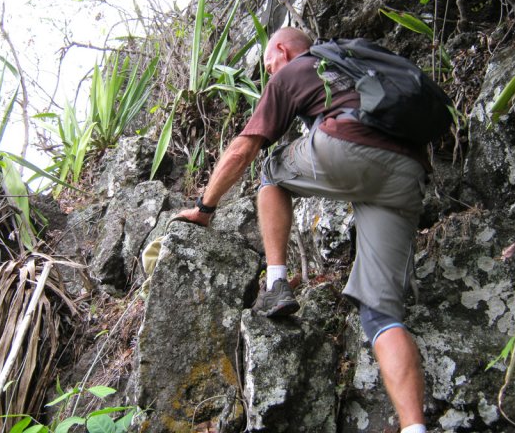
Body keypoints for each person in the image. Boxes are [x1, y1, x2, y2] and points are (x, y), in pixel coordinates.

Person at [178, 27, 427, 433]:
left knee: (271, 170)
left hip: (350, 146)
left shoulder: (295, 70)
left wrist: (205, 208)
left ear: (282, 50)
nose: (269, 72)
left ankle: (276, 283)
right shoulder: (352, 70)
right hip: (408, 171)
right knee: (382, 314)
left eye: (267, 65)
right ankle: (415, 427)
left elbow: (244, 148)